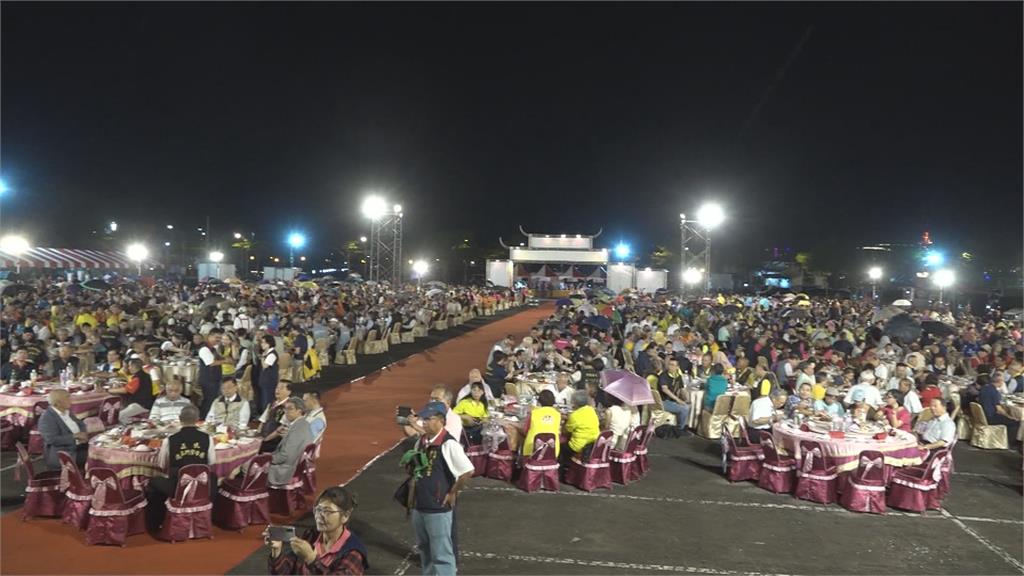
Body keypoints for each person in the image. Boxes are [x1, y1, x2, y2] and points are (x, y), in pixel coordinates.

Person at [404, 401, 473, 576]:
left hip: (437, 508)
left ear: (441, 420)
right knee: (425, 550)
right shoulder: (422, 441)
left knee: (442, 554)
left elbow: (467, 470)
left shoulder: (449, 444)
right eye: (423, 419)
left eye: (428, 419)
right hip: (419, 505)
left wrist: (452, 492)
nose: (424, 422)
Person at [267, 486, 369, 575]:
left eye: (327, 511)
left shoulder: (353, 552)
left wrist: (311, 559)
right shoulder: (310, 537)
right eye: (318, 510)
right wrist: (276, 551)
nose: (320, 516)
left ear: (345, 516)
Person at [146, 405, 215, 531]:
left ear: (179, 419)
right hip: (202, 486)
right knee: (214, 478)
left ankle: (156, 522)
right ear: (198, 419)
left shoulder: (170, 440)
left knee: (153, 482)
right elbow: (211, 462)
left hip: (177, 486)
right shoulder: (208, 438)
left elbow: (162, 465)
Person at [37, 389, 88, 470]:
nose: (71, 401)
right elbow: (52, 439)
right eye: (67, 398)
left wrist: (83, 434)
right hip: (63, 454)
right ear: (58, 403)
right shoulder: (47, 418)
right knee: (97, 458)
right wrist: (74, 436)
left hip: (77, 447)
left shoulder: (66, 412)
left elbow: (81, 424)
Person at [269, 397, 314, 486]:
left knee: (246, 466)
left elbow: (285, 456)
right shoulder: (303, 424)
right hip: (292, 466)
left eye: (290, 409)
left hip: (285, 471)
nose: (286, 412)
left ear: (299, 410)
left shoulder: (298, 428)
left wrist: (267, 459)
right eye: (285, 409)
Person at [108, 358, 155, 424]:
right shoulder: (146, 375)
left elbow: (125, 390)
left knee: (118, 416)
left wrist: (109, 390)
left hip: (140, 405)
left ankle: (129, 428)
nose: (128, 368)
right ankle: (129, 426)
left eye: (129, 366)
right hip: (145, 403)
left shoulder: (137, 378)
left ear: (133, 366)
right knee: (122, 412)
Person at [197, 329, 231, 418]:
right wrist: (225, 361)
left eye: (220, 338)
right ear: (209, 336)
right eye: (216, 337)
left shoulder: (213, 348)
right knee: (208, 400)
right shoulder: (204, 349)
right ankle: (204, 418)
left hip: (214, 378)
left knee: (213, 399)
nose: (218, 340)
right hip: (208, 379)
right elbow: (211, 363)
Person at [978, 373, 1021, 442]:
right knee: (1015, 422)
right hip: (990, 417)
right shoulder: (994, 392)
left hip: (982, 415)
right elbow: (999, 409)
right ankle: (1011, 442)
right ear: (1000, 381)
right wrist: (1009, 416)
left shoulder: (984, 388)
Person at [521, 390, 561, 457]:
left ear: (539, 401)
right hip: (552, 451)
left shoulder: (533, 413)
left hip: (531, 450)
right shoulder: (558, 415)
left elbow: (525, 431)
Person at [657, 357, 691, 435]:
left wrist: (687, 399)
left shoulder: (678, 376)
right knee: (684, 409)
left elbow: (682, 389)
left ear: (677, 367)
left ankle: (683, 426)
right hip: (663, 401)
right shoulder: (663, 375)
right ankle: (680, 429)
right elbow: (664, 389)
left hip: (672, 401)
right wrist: (678, 400)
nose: (670, 367)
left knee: (688, 405)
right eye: (669, 364)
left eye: (673, 365)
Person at [563, 390, 599, 460]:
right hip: (593, 444)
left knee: (561, 447)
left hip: (579, 447)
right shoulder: (591, 410)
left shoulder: (574, 416)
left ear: (574, 403)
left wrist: (566, 420)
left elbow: (566, 431)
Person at [260, 380, 293, 453]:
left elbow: (281, 429)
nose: (277, 390)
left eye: (281, 388)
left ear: (289, 392)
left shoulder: (289, 407)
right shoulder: (272, 404)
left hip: (275, 442)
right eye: (277, 388)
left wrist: (266, 440)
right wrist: (257, 436)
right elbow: (263, 421)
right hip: (264, 438)